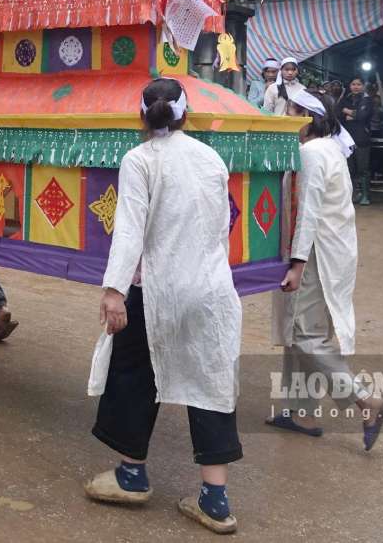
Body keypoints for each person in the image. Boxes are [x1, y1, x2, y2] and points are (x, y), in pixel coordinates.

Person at [85, 78, 243, 535]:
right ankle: (215, 500)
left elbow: (129, 229)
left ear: (141, 114)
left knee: (133, 373)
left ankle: (131, 475)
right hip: (212, 289)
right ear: (185, 115)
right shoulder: (210, 157)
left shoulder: (139, 160)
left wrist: (114, 290)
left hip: (158, 288)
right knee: (210, 382)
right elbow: (220, 225)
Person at [268, 89, 383, 450]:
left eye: (289, 109)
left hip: (315, 253)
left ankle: (365, 399)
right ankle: (301, 413)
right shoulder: (325, 149)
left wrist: (296, 264)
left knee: (305, 335)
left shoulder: (312, 153)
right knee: (298, 333)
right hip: (322, 251)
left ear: (307, 116)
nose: (284, 114)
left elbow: (307, 212)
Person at [338, 78, 373, 206]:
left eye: (359, 84)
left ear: (363, 86)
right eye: (353, 84)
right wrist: (354, 114)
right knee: (349, 169)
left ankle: (365, 195)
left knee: (363, 168)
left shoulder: (367, 100)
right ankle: (353, 195)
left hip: (362, 139)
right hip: (347, 140)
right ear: (349, 85)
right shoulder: (345, 99)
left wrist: (347, 111)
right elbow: (337, 114)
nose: (356, 87)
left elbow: (362, 116)